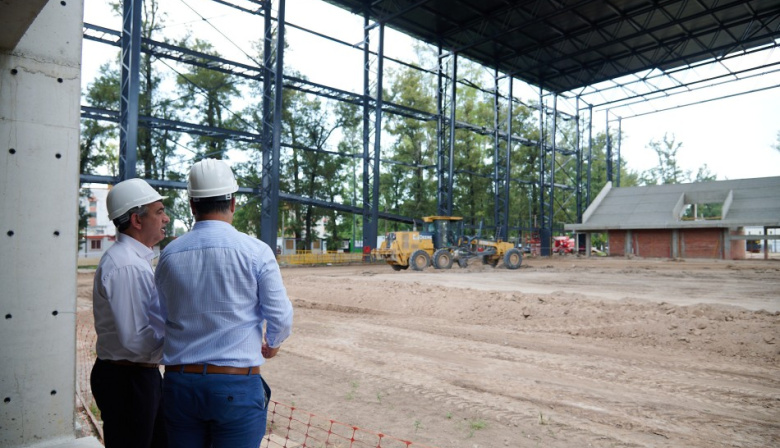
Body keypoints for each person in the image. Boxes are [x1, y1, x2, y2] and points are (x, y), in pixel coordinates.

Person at [155, 158, 294, 448]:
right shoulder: (256, 252)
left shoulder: (169, 255)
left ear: (192, 205)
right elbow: (280, 315)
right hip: (236, 387)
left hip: (180, 385)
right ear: (233, 202)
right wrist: (274, 342)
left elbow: (161, 316)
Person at [91, 178, 170, 448]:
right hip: (129, 380)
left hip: (132, 376)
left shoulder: (132, 260)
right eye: (159, 211)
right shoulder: (127, 266)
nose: (166, 218)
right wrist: (178, 350)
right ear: (137, 220)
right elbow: (136, 340)